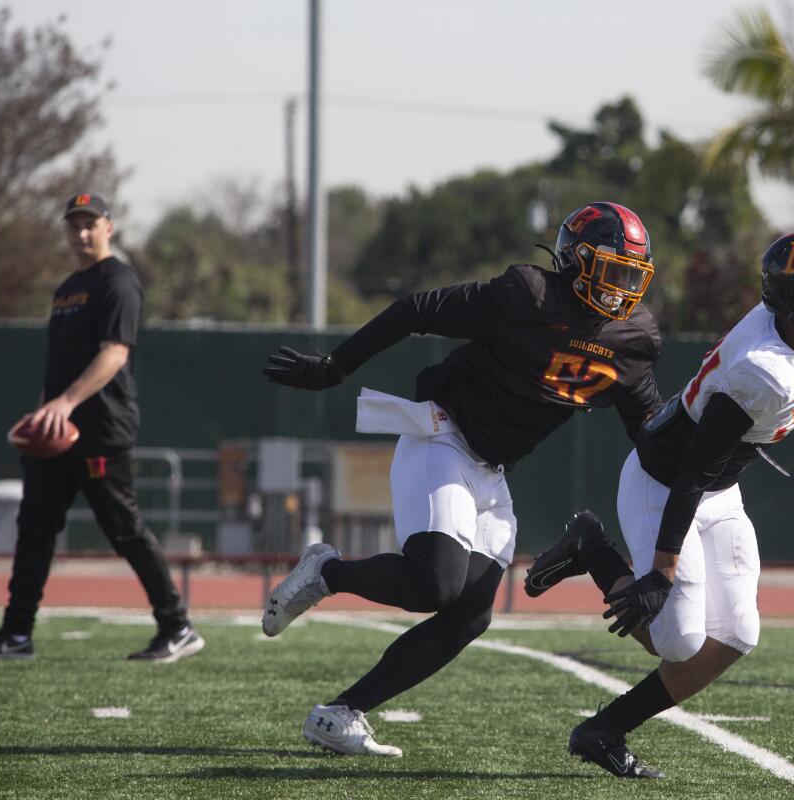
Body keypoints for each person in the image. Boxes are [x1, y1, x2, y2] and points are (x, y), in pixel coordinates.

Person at [262, 202, 663, 757]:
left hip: (494, 472)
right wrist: (333, 367)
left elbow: (653, 433)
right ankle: (327, 571)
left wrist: (738, 429)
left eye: (630, 276)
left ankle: (340, 713)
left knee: (470, 615)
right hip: (444, 435)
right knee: (436, 584)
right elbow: (416, 310)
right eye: (611, 271)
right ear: (575, 261)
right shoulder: (527, 296)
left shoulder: (634, 341)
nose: (620, 290)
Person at [525, 229, 794, 778]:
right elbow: (694, 470)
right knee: (679, 640)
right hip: (665, 485)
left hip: (717, 489)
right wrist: (661, 572)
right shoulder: (761, 370)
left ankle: (603, 730)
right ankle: (590, 548)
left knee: (738, 633)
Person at [0, 193, 204, 663]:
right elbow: (57, 366)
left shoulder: (119, 281)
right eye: (74, 225)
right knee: (33, 528)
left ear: (109, 227)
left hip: (100, 429)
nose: (82, 233)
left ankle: (178, 626)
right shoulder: (67, 288)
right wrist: (41, 415)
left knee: (124, 529)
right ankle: (16, 635)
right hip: (55, 433)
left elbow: (115, 353)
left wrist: (67, 403)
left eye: (91, 224)